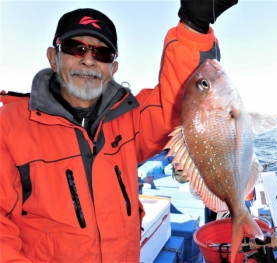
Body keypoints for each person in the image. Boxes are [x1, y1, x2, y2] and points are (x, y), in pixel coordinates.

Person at [0, 1, 238, 262]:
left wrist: (193, 27)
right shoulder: (8, 128)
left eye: (102, 53)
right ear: (53, 58)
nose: (89, 59)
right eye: (75, 48)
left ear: (113, 68)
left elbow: (177, 99)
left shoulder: (129, 119)